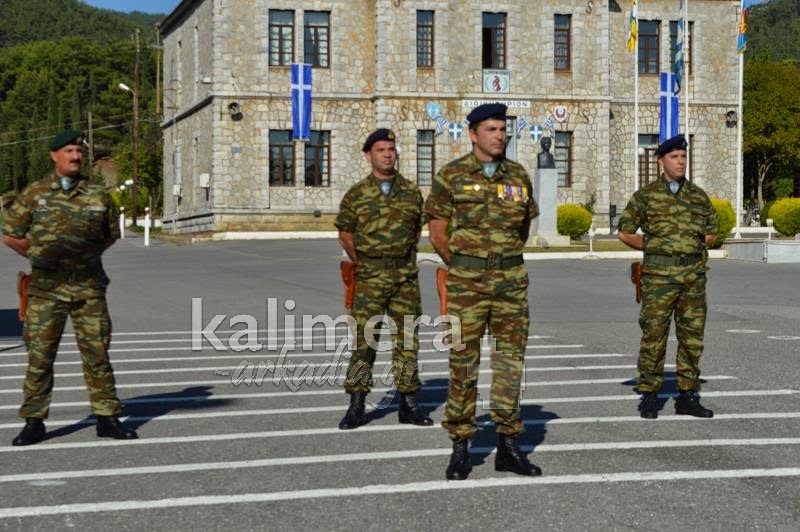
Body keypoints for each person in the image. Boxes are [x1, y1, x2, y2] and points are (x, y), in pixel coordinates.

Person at [425, 103, 541, 480]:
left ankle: (508, 445)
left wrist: (499, 260)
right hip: (467, 287)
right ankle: (461, 446)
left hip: (510, 286)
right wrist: (465, 265)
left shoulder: (519, 175)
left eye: (503, 129)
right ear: (473, 133)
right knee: (462, 365)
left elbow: (521, 231)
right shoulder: (451, 176)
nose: (499, 135)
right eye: (491, 129)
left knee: (510, 364)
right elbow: (438, 231)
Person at [2, 129, 138, 446]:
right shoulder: (35, 194)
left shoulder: (97, 194)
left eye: (78, 151)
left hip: (89, 289)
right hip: (46, 290)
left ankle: (107, 418)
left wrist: (83, 258)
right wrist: (38, 254)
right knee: (39, 356)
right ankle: (34, 422)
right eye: (69, 151)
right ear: (54, 156)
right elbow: (11, 233)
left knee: (97, 355)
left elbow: (109, 234)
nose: (76, 156)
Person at [334, 128, 433, 430]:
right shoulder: (357, 194)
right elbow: (345, 234)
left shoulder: (412, 192)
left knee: (407, 340)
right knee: (365, 341)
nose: (388, 154)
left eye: (391, 149)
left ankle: (409, 403)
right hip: (370, 276)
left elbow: (416, 230)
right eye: (381, 150)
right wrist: (367, 261)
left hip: (404, 276)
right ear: (368, 155)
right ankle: (357, 404)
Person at [617, 134, 718, 420]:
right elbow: (625, 232)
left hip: (693, 278)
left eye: (684, 157)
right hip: (659, 278)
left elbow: (712, 230)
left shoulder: (698, 196)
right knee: (654, 335)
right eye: (674, 157)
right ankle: (650, 395)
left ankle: (687, 395)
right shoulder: (646, 196)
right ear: (661, 161)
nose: (681, 161)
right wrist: (654, 246)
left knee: (692, 337)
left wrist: (696, 244)